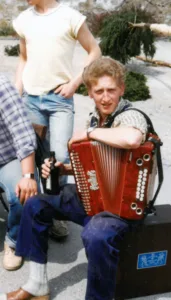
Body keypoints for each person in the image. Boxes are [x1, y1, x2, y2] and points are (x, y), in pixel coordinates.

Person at [0, 58, 149, 300]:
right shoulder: (96, 117)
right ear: (90, 93)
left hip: (120, 209)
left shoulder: (131, 115)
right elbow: (93, 167)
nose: (105, 97)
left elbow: (132, 139)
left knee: (96, 235)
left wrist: (89, 133)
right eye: (98, 91)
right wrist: (63, 169)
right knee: (36, 203)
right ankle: (37, 283)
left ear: (121, 89)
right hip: (94, 199)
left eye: (111, 90)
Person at [12, 0, 101, 238]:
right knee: (36, 158)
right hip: (31, 100)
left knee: (58, 160)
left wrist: (75, 83)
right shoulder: (24, 20)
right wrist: (15, 94)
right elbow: (23, 59)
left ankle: (57, 213)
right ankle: (43, 212)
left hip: (59, 101)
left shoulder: (71, 17)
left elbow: (94, 50)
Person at [0, 75, 38, 271]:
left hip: (8, 157)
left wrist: (28, 177)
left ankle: (13, 240)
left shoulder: (2, 86)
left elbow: (22, 134)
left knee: (22, 194)